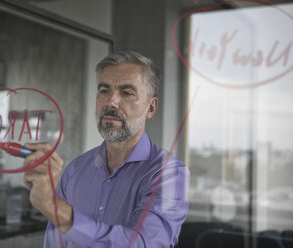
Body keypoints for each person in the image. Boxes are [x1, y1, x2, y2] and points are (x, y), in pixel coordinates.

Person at [22, 51, 190, 248]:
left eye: (126, 93)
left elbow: (142, 244)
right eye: (104, 90)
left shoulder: (169, 175)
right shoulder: (75, 170)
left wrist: (55, 208)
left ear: (151, 108)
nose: (110, 101)